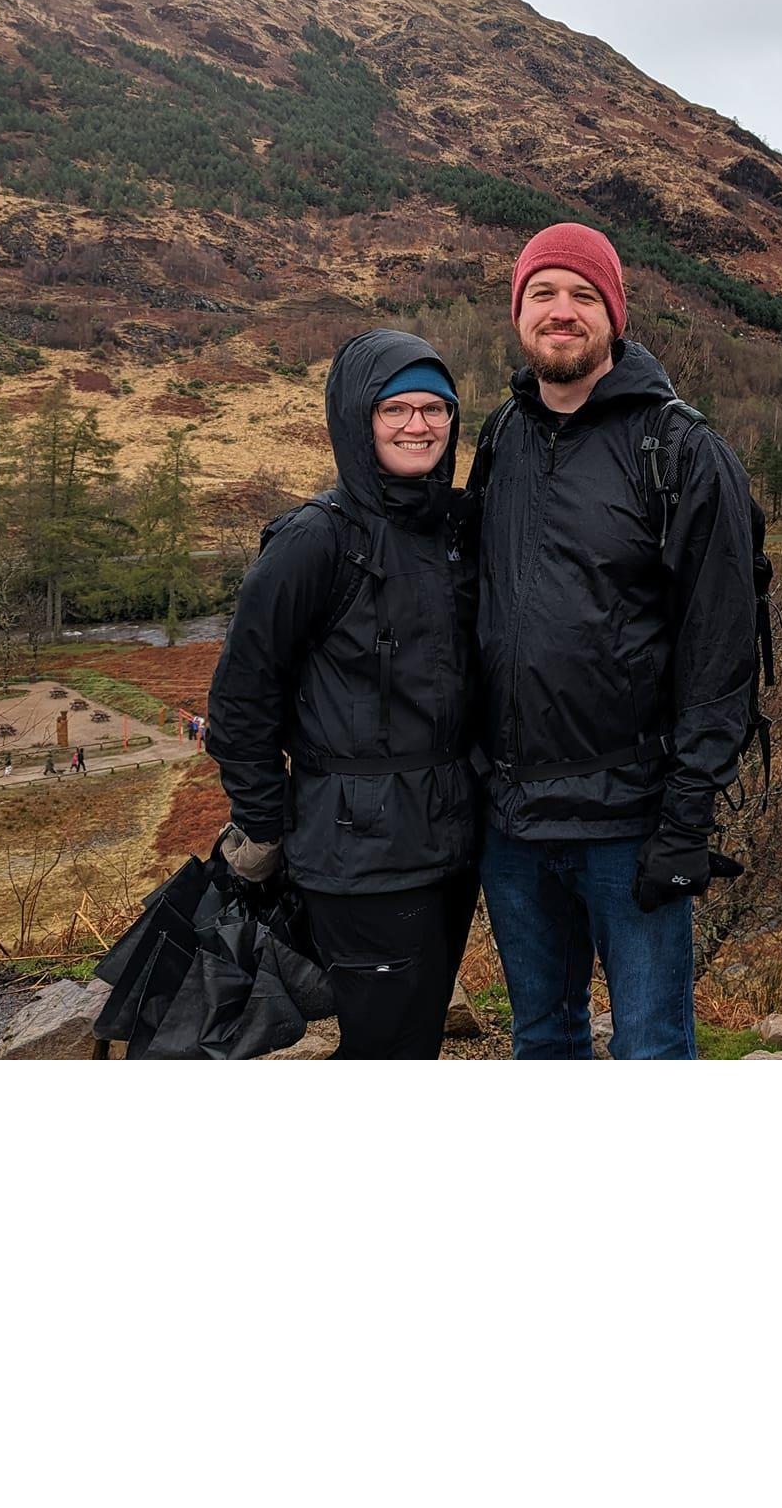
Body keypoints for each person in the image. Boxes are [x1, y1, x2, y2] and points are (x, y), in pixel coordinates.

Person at [471, 224, 757, 1060]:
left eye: (583, 295)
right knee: (541, 1039)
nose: (561, 312)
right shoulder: (501, 436)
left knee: (652, 1047)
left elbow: (721, 652)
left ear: (614, 315)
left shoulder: (682, 450)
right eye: (543, 293)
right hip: (512, 825)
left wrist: (687, 819)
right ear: (518, 312)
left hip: (631, 823)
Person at [205, 330, 482, 1060]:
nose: (418, 425)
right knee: (385, 1049)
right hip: (357, 857)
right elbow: (240, 701)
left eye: (435, 409)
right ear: (358, 419)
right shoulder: (314, 541)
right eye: (396, 408)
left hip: (452, 845)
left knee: (415, 1040)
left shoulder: (454, 530)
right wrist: (264, 824)